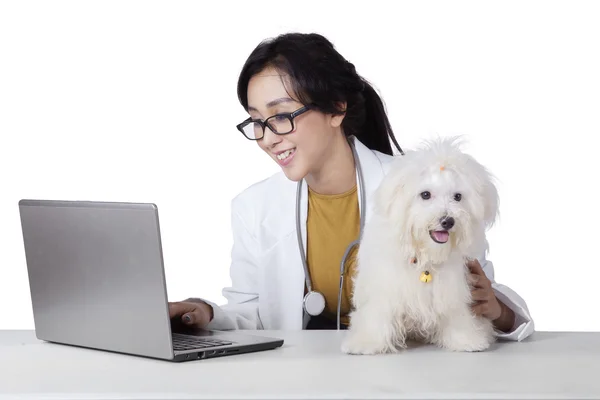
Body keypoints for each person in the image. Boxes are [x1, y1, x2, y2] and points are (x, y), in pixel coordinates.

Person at [168, 32, 534, 341]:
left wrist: (499, 311)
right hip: (300, 381)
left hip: (411, 375)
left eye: (280, 116)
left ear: (336, 109)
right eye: (256, 121)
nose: (267, 138)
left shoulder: (423, 188)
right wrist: (203, 313)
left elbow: (480, 292)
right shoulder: (252, 207)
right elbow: (250, 316)